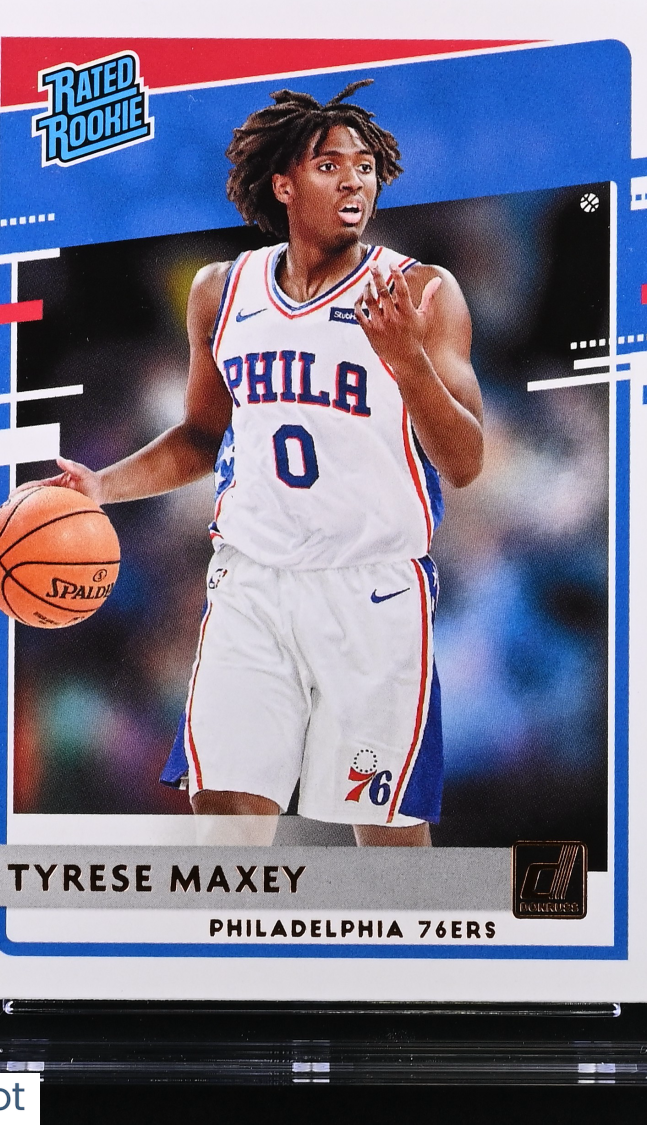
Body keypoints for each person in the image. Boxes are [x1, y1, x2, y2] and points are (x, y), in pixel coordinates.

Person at [40, 80, 485, 846]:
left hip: (371, 591)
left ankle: (401, 930)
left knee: (388, 845)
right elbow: (200, 435)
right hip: (252, 585)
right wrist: (103, 486)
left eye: (365, 166)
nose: (354, 180)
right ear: (283, 184)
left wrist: (408, 363)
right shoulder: (221, 291)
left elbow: (467, 461)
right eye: (329, 165)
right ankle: (242, 934)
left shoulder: (421, 292)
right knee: (225, 816)